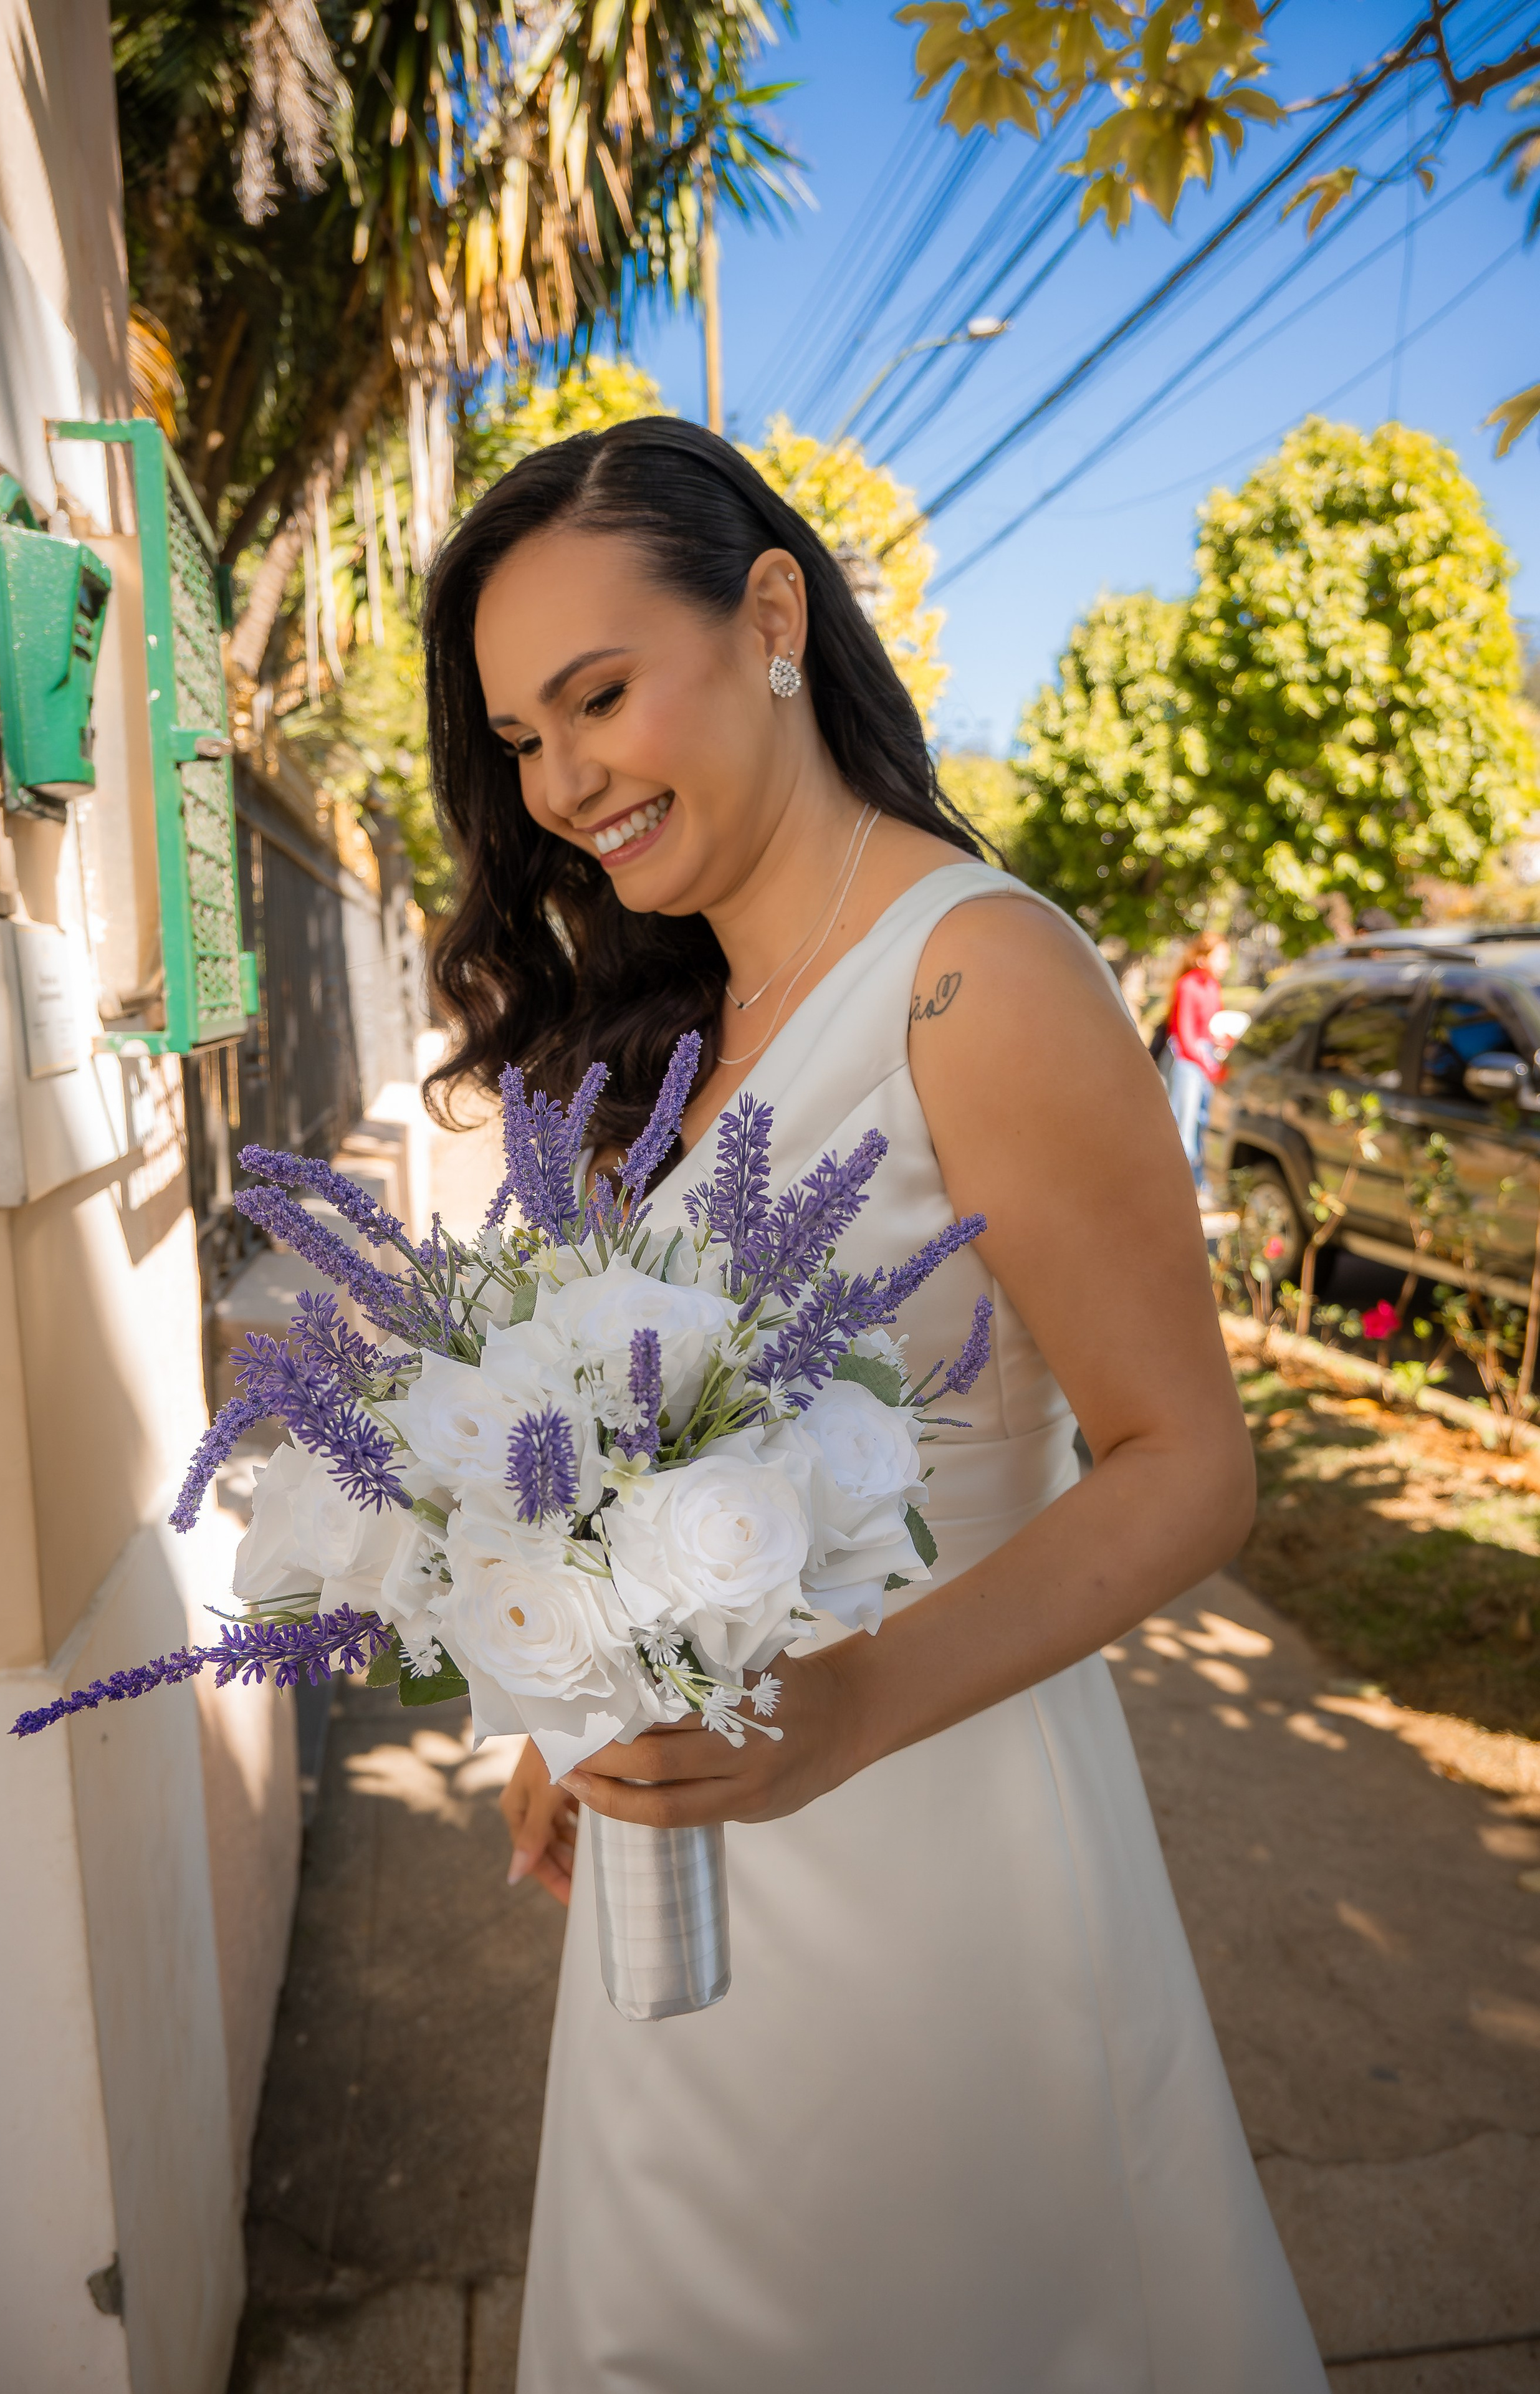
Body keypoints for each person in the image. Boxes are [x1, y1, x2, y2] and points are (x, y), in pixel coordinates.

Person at [419, 418, 1326, 2392]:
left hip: (941, 1850)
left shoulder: (971, 976)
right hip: (684, 1859)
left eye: (597, 694)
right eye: (518, 735)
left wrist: (845, 1710)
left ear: (765, 619)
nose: (563, 778)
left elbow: (1188, 1466)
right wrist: (571, 1699)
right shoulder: (668, 1021)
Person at [1164, 931, 1233, 1192]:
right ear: (1204, 958)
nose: (1226, 963)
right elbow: (1185, 1034)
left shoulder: (1213, 986)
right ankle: (1180, 1189)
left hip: (1206, 1060)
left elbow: (1213, 1027)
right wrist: (1206, 1065)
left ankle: (1199, 1186)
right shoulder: (1188, 985)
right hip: (1188, 1062)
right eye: (1222, 957)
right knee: (1185, 1128)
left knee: (1204, 1125)